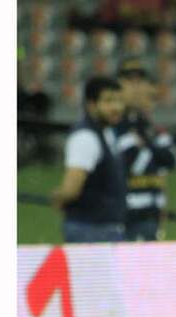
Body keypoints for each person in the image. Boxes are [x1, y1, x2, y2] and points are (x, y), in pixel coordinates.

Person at [51, 76, 127, 243]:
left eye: (119, 101)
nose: (117, 107)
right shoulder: (86, 137)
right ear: (91, 105)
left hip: (102, 228)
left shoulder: (105, 133)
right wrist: (61, 197)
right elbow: (71, 188)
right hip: (91, 230)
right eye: (108, 101)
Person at [115, 59, 176, 240]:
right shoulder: (114, 125)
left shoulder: (150, 126)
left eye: (140, 81)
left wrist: (146, 145)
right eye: (130, 81)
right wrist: (153, 152)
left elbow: (174, 160)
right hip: (122, 214)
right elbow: (131, 163)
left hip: (152, 212)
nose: (137, 87)